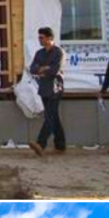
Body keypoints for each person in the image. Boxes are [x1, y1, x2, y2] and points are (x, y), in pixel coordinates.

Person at [29, 27, 66, 156]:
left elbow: (54, 70)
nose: (40, 40)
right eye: (39, 37)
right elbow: (32, 68)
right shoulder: (39, 53)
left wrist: (42, 69)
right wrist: (43, 69)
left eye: (42, 37)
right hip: (44, 88)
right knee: (53, 117)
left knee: (49, 116)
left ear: (50, 38)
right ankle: (60, 145)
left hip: (55, 88)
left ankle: (41, 143)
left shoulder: (58, 52)